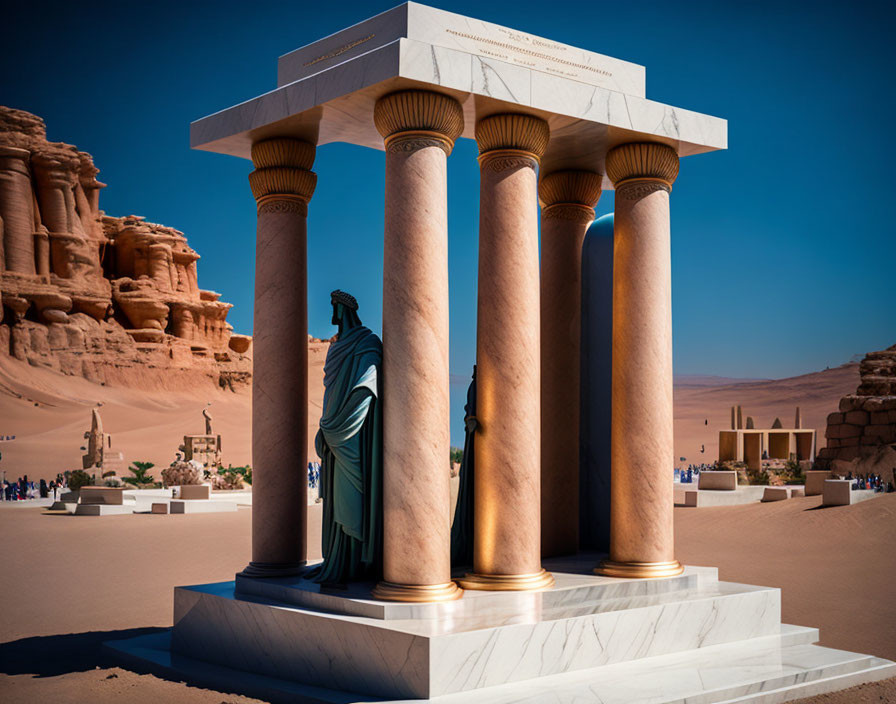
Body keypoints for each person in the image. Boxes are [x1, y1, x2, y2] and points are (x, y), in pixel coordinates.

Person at [308, 290, 383, 585]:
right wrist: (328, 425)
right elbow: (332, 391)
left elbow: (367, 387)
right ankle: (339, 560)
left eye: (334, 308)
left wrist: (339, 428)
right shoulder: (336, 347)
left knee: (352, 496)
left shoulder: (367, 343)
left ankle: (356, 562)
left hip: (352, 437)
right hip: (333, 433)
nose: (332, 314)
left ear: (344, 309)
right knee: (338, 498)